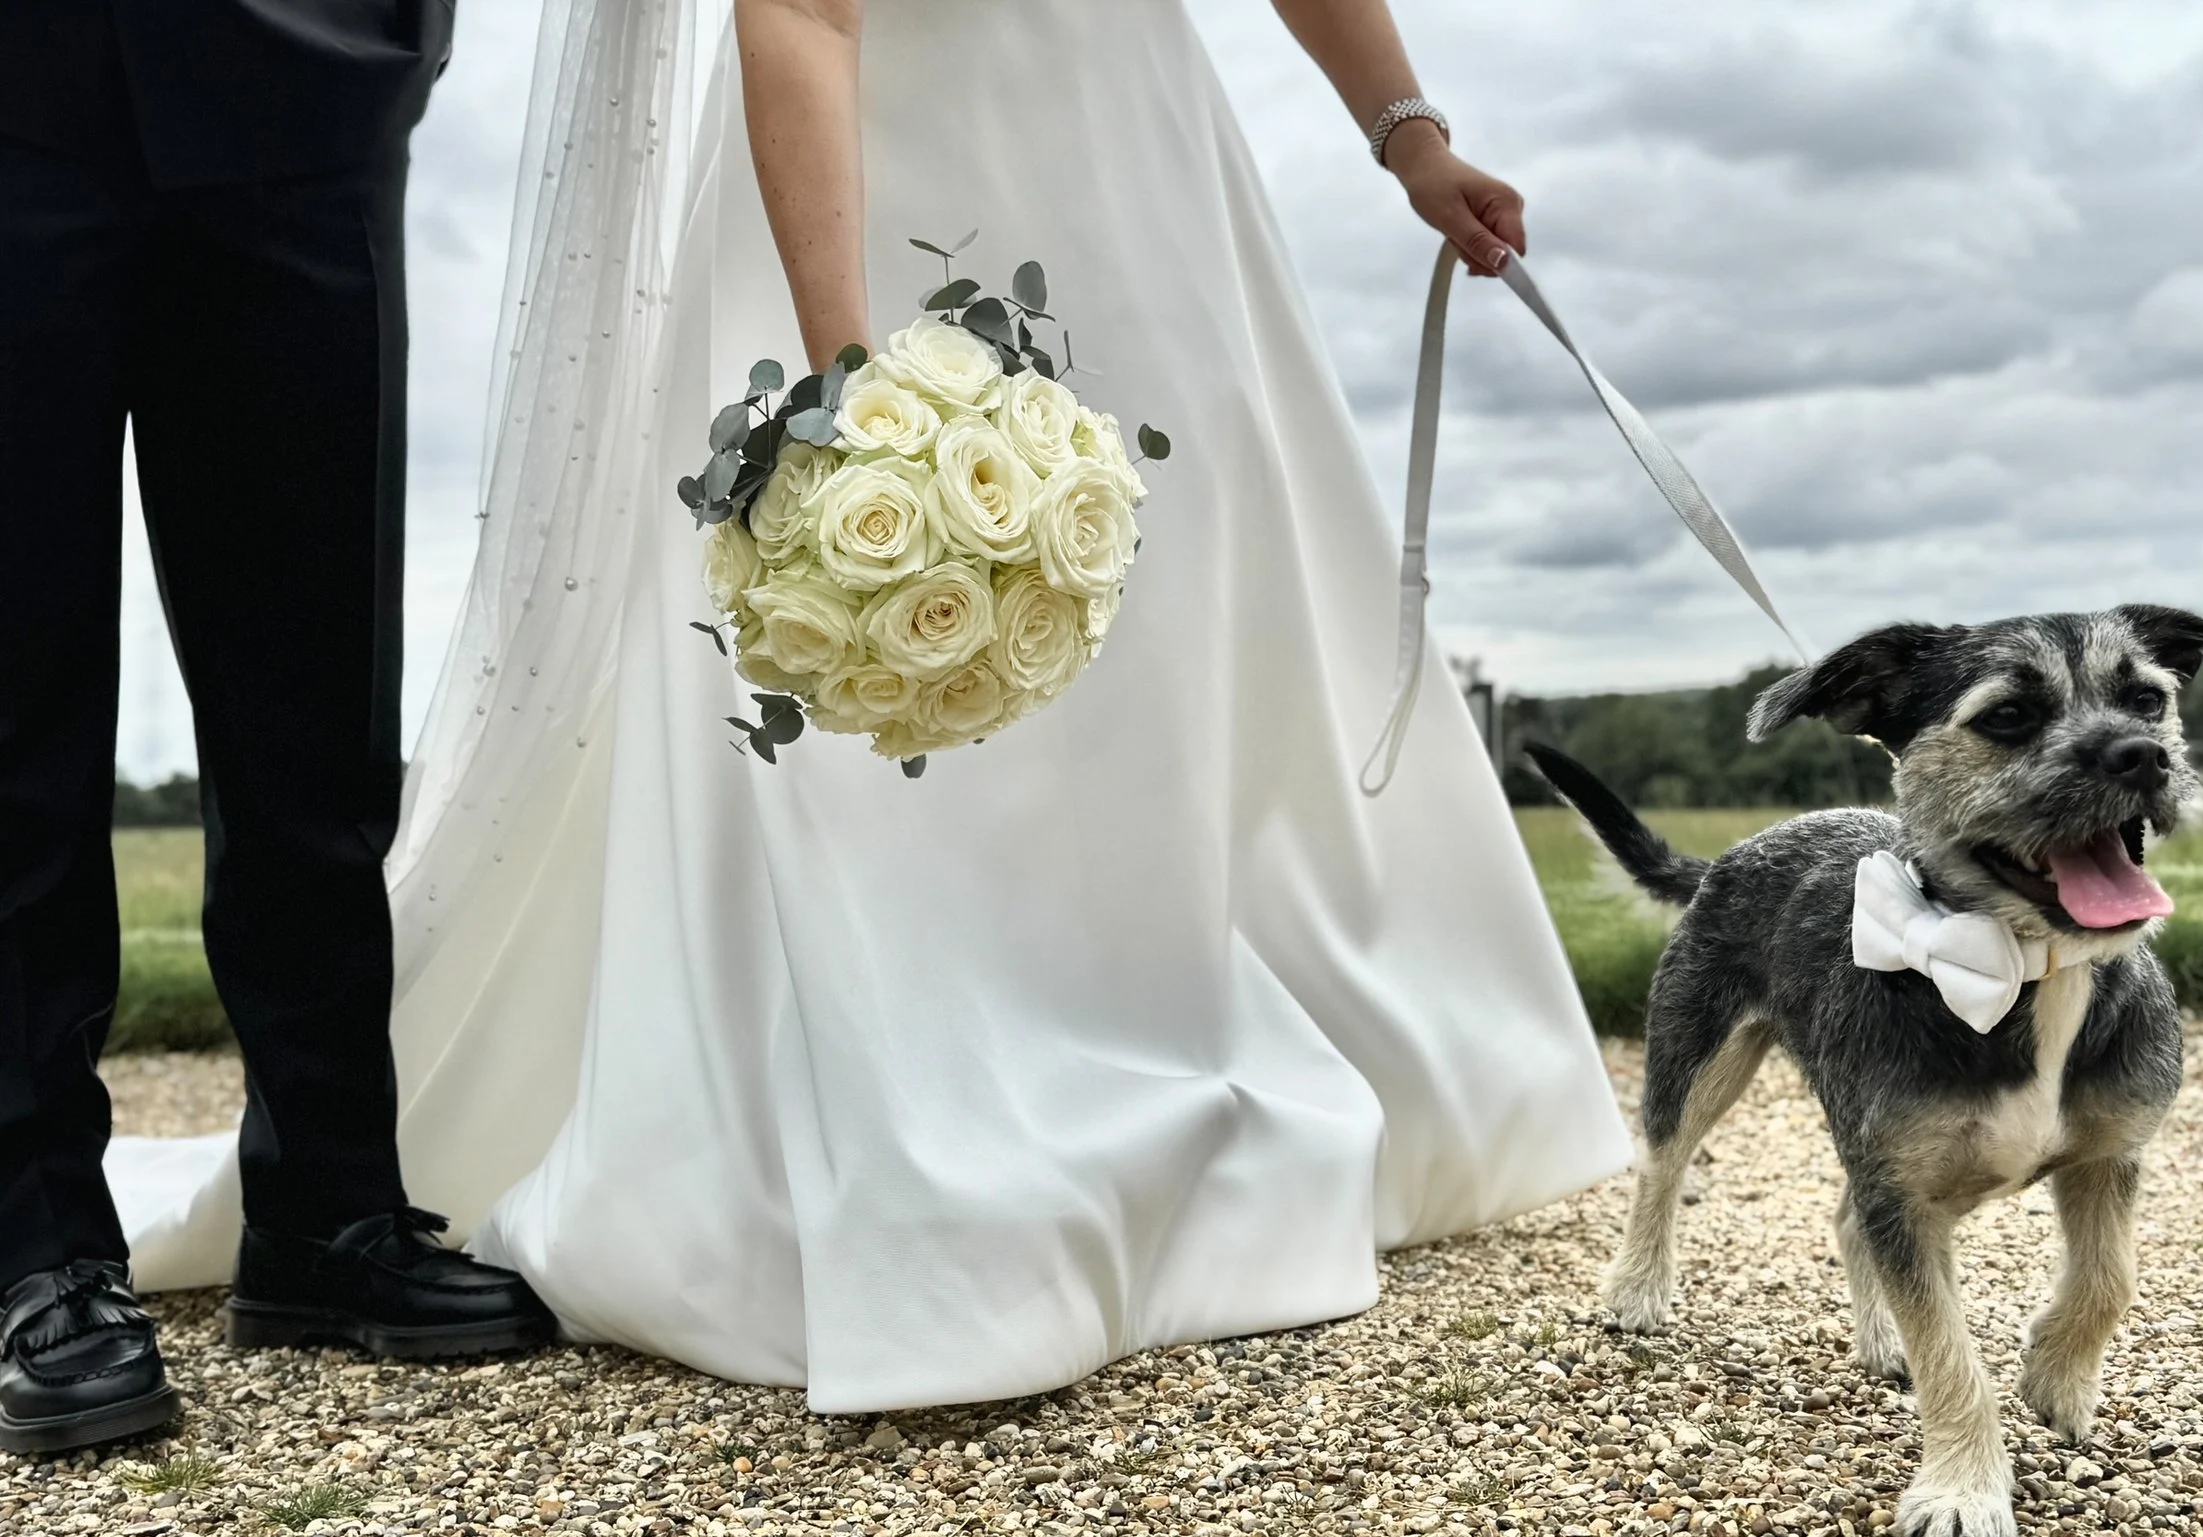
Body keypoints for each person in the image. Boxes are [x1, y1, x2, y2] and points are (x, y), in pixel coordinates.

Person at [106, 0, 1630, 1413]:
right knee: (890, 690)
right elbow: (798, 10)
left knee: (1195, 601)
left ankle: (1177, 1043)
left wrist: (1408, 133)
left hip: (1143, 160)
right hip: (865, 180)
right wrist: (859, 389)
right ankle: (934, 1118)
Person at [0, 0, 554, 1456]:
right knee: (18, 706)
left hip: (302, 77)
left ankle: (327, 1207)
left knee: (315, 701)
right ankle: (38, 1242)